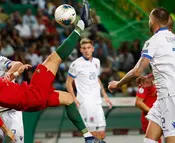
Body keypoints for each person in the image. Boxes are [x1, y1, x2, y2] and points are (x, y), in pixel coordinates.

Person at [0, 1, 103, 143]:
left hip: (32, 99)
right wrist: (6, 131)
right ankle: (82, 23)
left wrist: (14, 74)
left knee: (68, 99)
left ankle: (88, 137)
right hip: (32, 95)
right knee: (54, 59)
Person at [108, 7, 175, 143]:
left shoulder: (153, 41)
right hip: (163, 97)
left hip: (169, 96)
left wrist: (118, 84)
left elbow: (137, 70)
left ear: (152, 22)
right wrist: (151, 77)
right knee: (149, 141)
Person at [66, 38, 112, 141]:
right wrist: (74, 98)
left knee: (102, 133)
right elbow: (68, 82)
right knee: (91, 135)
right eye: (84, 48)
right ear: (81, 50)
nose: (86, 50)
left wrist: (105, 95)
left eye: (88, 48)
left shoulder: (97, 62)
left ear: (93, 49)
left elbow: (97, 78)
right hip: (85, 102)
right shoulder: (76, 64)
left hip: (97, 101)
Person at [135, 74, 161, 143]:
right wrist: (152, 112)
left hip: (164, 115)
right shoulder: (146, 80)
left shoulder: (164, 76)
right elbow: (138, 102)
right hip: (150, 117)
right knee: (154, 140)